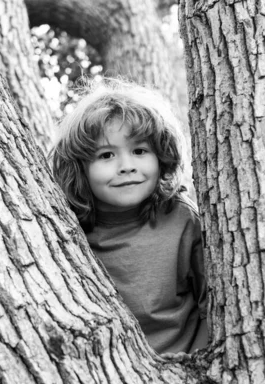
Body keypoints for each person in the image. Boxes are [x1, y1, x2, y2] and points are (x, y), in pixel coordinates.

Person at [50, 79, 208, 355]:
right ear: (80, 168)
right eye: (107, 155)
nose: (126, 167)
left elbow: (214, 304)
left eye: (139, 151)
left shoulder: (182, 220)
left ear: (161, 157)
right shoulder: (65, 229)